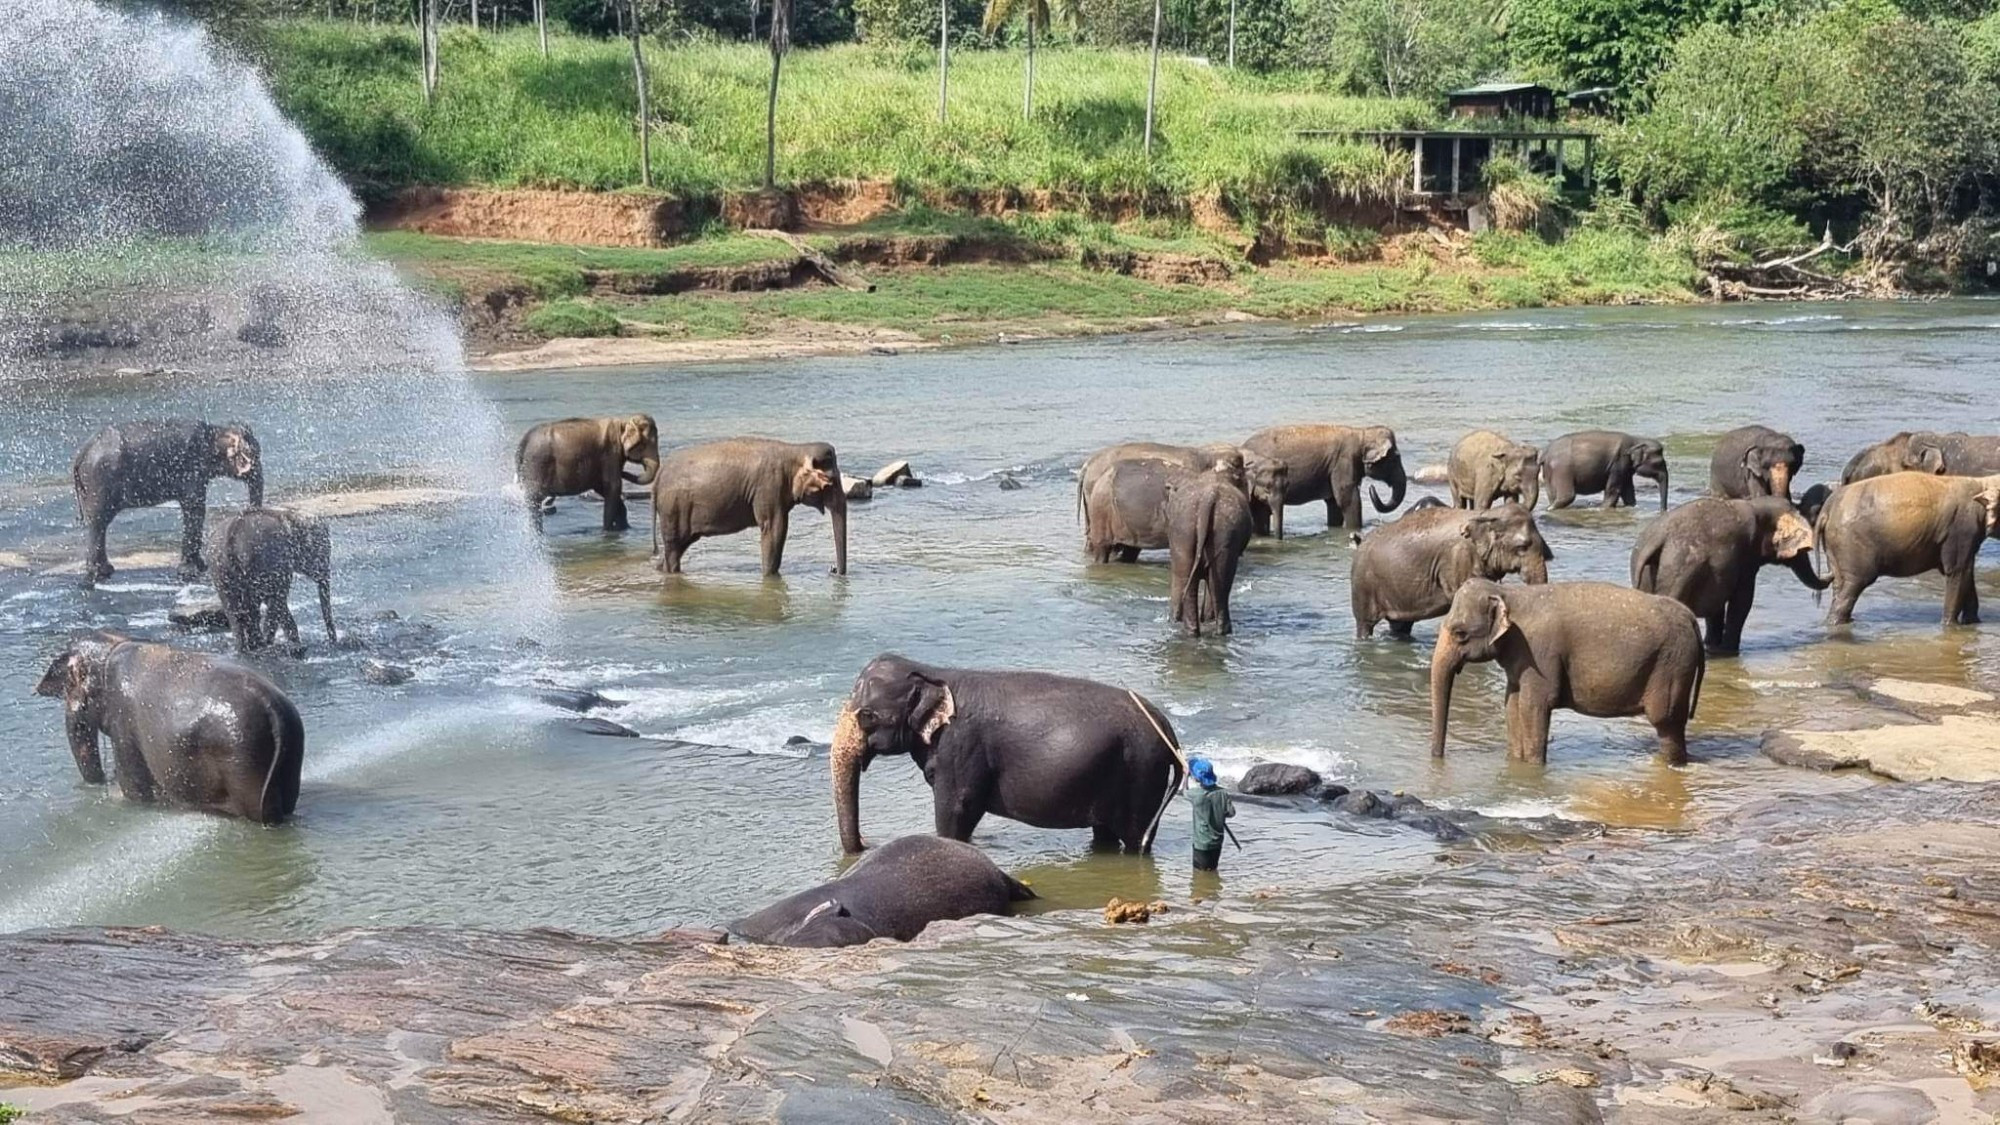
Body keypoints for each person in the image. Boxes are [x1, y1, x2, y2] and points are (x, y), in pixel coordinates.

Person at [1186, 757, 1235, 873]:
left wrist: (1185, 777)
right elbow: (1231, 813)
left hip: (1201, 844)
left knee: (1199, 874)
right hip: (1217, 842)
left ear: (1197, 778)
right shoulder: (1223, 793)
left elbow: (1184, 791)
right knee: (1212, 870)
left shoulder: (1196, 794)